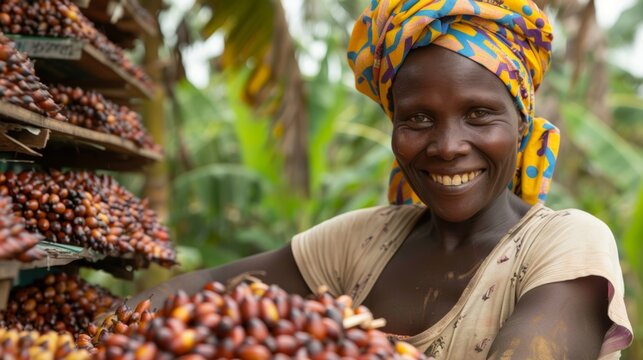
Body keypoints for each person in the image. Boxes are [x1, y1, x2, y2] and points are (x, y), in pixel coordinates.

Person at [128, 0, 633, 358]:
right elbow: (195, 290)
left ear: (521, 128)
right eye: (418, 118)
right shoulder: (364, 242)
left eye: (479, 114)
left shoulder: (566, 244)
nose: (448, 146)